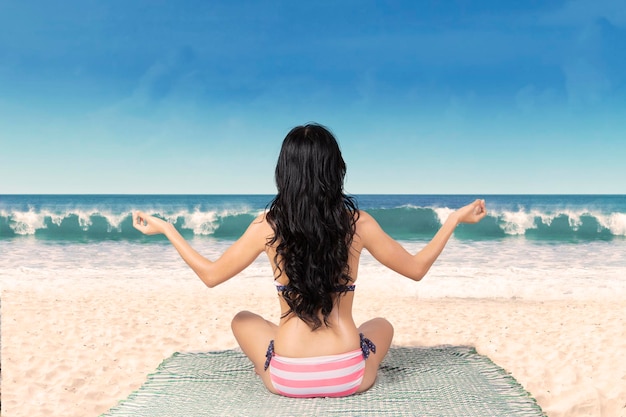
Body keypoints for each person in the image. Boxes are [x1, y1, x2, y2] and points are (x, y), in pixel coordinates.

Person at [133, 123, 487, 398]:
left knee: (242, 319)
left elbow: (210, 276)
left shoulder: (266, 226)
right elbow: (417, 269)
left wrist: (167, 230)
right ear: (335, 170)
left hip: (288, 377)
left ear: (284, 173)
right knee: (382, 324)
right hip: (349, 375)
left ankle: (270, 363)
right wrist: (453, 219)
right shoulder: (358, 223)